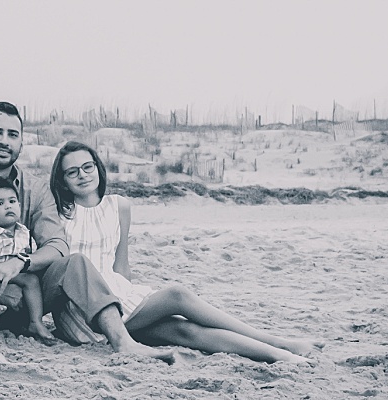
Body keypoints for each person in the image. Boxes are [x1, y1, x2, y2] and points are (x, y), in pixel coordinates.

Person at [0, 101, 175, 363]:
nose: (4, 141)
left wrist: (19, 264)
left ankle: (123, 342)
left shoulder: (35, 189)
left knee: (75, 262)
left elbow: (57, 245)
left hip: (23, 301)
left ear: (21, 143)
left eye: (12, 134)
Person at [49, 140, 313, 363]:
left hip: (120, 298)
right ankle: (276, 341)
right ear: (63, 181)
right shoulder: (57, 214)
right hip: (83, 308)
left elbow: (121, 266)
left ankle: (279, 353)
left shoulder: (119, 206)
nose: (83, 175)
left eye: (88, 167)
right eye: (72, 172)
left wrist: (133, 300)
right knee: (177, 295)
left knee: (184, 331)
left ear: (98, 167)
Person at [0, 176, 53, 342]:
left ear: (19, 206)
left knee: (32, 280)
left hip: (14, 275)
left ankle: (35, 321)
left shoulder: (23, 231)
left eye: (12, 201)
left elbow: (29, 255)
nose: (8, 206)